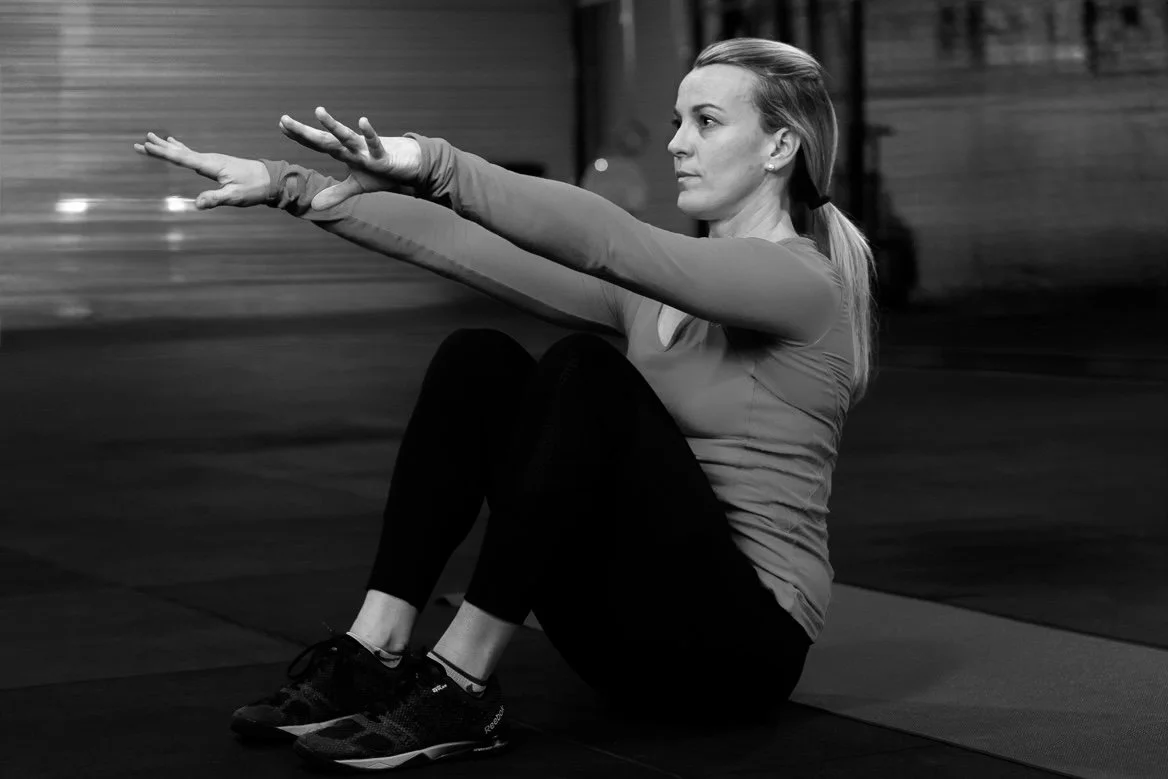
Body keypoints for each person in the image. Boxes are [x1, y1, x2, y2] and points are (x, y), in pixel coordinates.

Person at [135, 37, 874, 773]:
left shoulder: (804, 287)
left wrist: (434, 162)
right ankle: (375, 650)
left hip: (735, 652)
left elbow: (610, 241)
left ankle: (460, 683)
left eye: (706, 122)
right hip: (624, 639)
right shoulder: (655, 292)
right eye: (678, 121)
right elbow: (470, 246)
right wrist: (285, 183)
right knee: (479, 359)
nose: (679, 144)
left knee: (585, 370)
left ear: (780, 146)